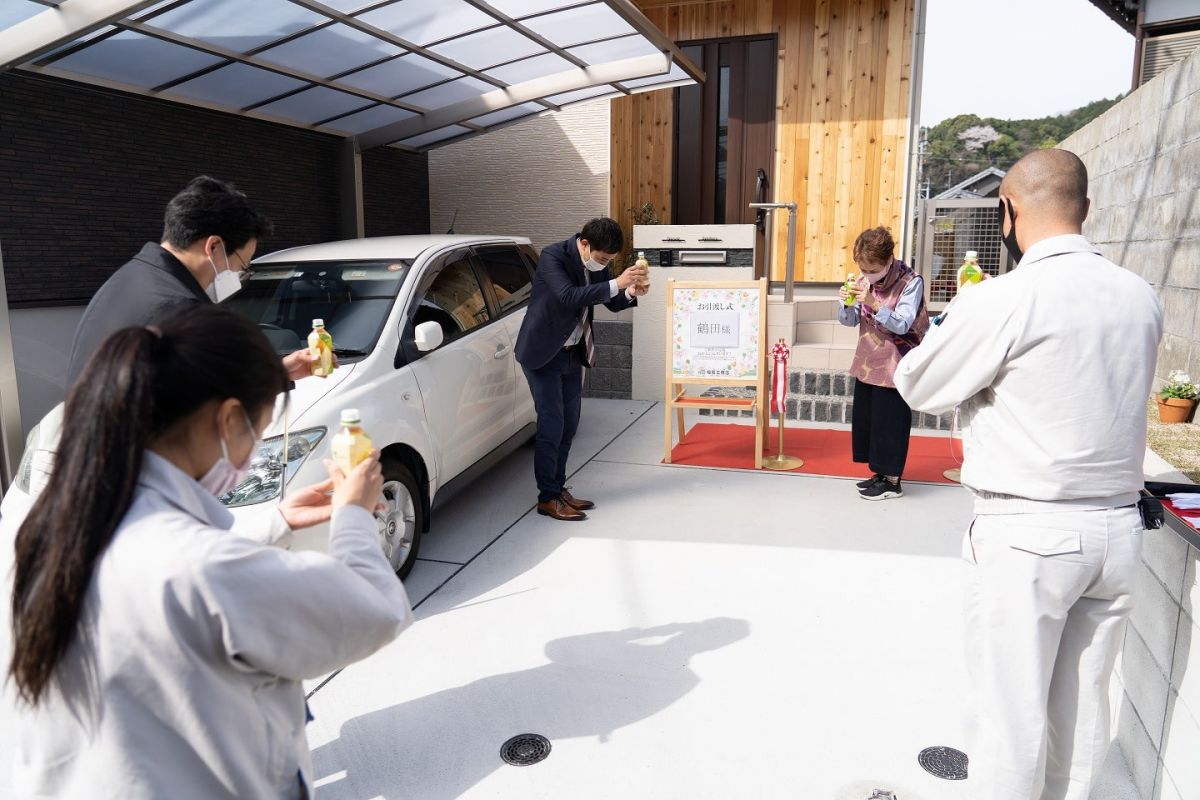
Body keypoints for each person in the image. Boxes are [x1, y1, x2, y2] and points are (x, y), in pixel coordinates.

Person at [2, 306, 412, 798]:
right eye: (258, 434)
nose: (250, 453)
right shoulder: (202, 569)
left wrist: (275, 521)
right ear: (229, 420)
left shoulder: (54, 525)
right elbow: (375, 608)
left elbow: (169, 573)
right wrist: (353, 512)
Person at [893, 149, 1163, 800]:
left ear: (1007, 211)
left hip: (1029, 531)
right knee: (1084, 710)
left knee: (1009, 718)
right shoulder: (1140, 295)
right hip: (1118, 531)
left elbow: (918, 383)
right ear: (1086, 210)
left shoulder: (1008, 297)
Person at [65, 175, 316, 385]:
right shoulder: (178, 309)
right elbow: (205, 403)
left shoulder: (130, 277)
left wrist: (279, 372)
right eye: (243, 264)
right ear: (214, 246)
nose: (240, 274)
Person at [514, 218, 648, 521]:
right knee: (552, 426)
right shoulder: (553, 256)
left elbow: (610, 301)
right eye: (602, 259)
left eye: (610, 261)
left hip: (574, 352)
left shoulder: (600, 260)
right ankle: (547, 497)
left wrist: (629, 293)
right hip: (543, 354)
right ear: (585, 244)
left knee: (569, 426)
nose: (605, 265)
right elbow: (568, 296)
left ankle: (558, 489)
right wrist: (617, 283)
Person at [837, 226, 929, 500]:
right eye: (863, 269)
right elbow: (850, 320)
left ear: (888, 261)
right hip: (869, 359)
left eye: (873, 269)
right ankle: (879, 474)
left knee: (891, 420)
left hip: (897, 359)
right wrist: (845, 303)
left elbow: (902, 323)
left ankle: (892, 481)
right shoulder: (865, 281)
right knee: (871, 419)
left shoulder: (911, 281)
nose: (867, 275)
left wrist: (874, 304)